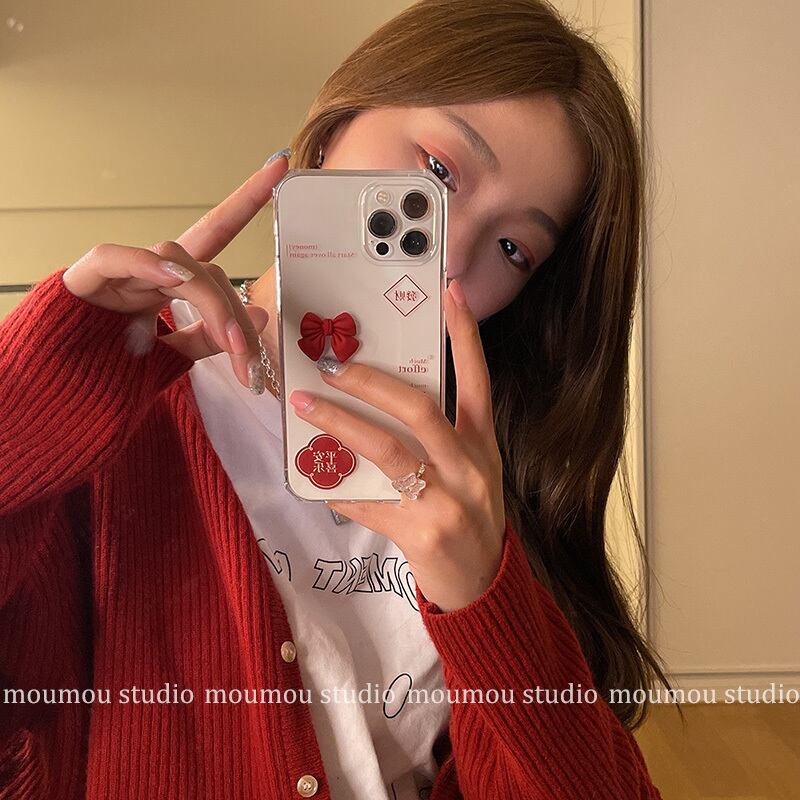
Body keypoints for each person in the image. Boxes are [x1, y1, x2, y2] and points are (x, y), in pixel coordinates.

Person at [0, 1, 672, 797]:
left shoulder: (492, 473)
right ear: (330, 133)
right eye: (437, 172)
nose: (451, 256)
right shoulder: (113, 414)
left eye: (512, 247)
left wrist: (485, 597)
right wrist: (27, 403)